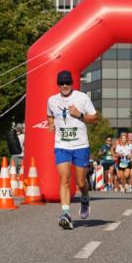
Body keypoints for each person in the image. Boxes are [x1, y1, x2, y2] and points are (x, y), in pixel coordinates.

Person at [47, 69, 98, 229]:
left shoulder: (82, 98)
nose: (64, 86)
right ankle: (66, 213)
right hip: (62, 145)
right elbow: (50, 115)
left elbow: (95, 118)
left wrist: (79, 115)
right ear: (58, 85)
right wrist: (51, 124)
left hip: (80, 146)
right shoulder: (52, 100)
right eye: (61, 83)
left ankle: (84, 198)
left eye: (67, 82)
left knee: (81, 182)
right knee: (64, 179)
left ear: (72, 83)